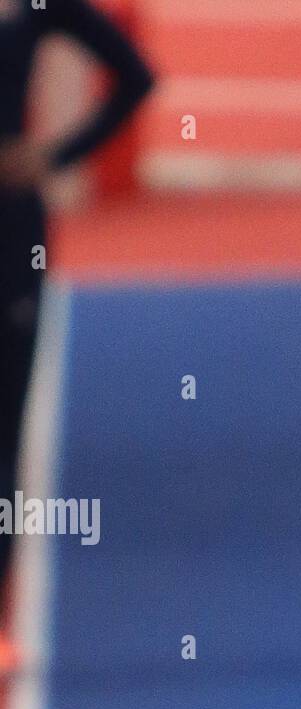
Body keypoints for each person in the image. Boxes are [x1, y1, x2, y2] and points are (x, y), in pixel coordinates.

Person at [0, 0, 155, 658]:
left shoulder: (35, 9)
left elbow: (136, 77)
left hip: (12, 240)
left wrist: (58, 154)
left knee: (3, 432)